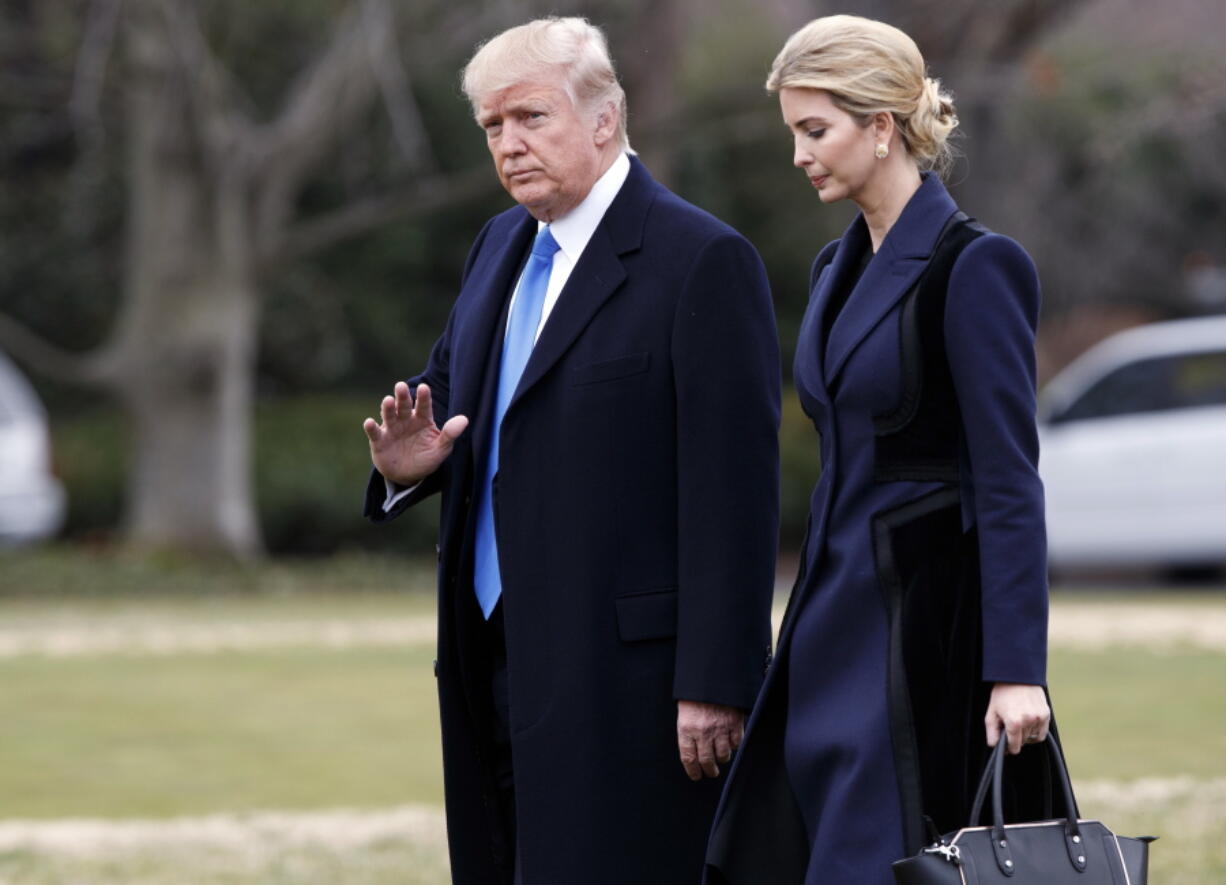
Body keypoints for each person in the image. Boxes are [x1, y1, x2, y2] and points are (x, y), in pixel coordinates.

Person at [362, 17, 780, 885]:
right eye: (492, 128)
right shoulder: (497, 248)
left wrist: (717, 678)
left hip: (629, 683)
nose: (509, 145)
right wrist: (407, 469)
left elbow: (733, 490)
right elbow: (453, 414)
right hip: (489, 660)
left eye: (530, 118)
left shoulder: (701, 258)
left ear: (605, 118)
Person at [704, 16, 1066, 885]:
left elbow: (1012, 482)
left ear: (881, 127)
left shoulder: (977, 267)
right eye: (793, 131)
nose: (799, 154)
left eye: (814, 130)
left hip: (922, 637)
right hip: (827, 619)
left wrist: (1017, 669)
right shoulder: (834, 268)